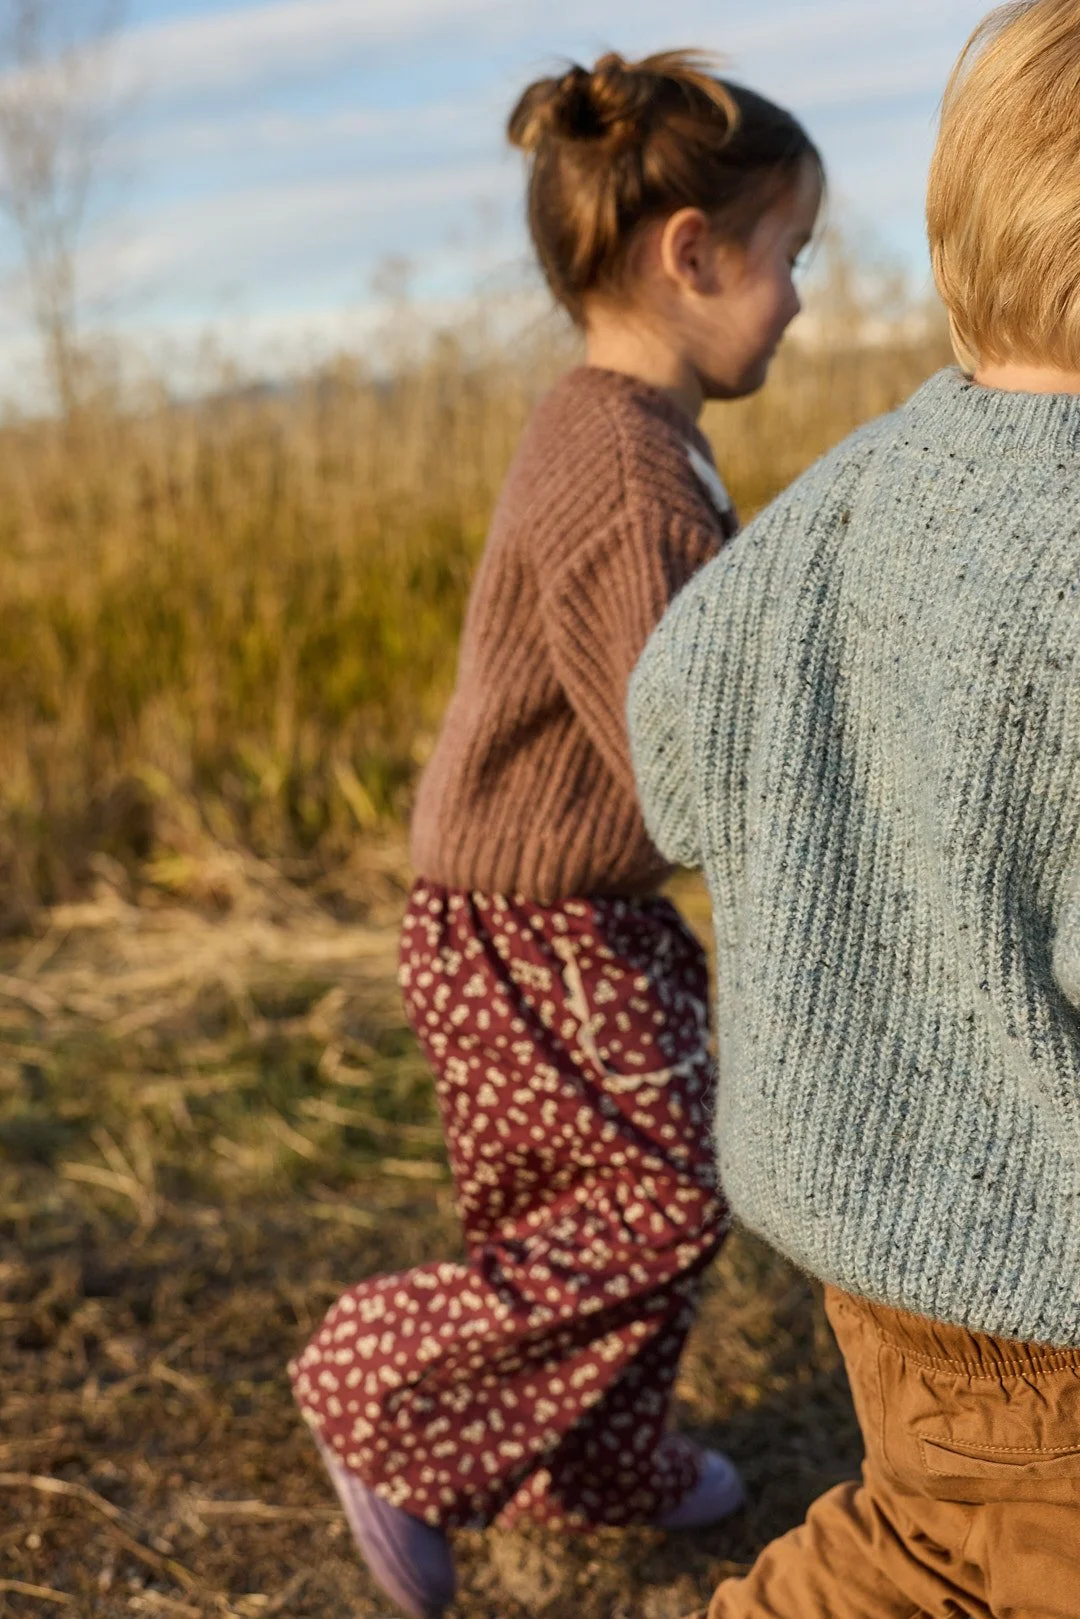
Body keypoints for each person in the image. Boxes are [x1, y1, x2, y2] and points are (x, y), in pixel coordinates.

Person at [290, 49, 822, 1619]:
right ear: (692, 254)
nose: (795, 297)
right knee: (658, 1196)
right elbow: (682, 761)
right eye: (789, 258)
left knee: (568, 1203)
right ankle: (374, 1391)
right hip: (540, 921)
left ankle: (594, 1459)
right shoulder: (630, 475)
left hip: (535, 908)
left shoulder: (617, 429)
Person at [627, 5, 1080, 1616]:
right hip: (1047, 1264)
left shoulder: (851, 491)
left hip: (876, 1241)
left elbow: (670, 748)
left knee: (928, 1533)